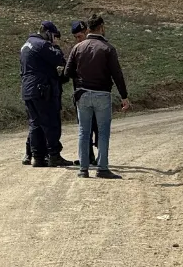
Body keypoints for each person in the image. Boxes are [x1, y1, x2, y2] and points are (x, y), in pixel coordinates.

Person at [62, 13, 130, 179]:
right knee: (103, 132)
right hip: (102, 94)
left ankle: (83, 169)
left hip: (83, 94)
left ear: (88, 29)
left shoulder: (77, 48)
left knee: (83, 132)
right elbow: (117, 75)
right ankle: (102, 168)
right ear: (101, 27)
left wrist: (80, 79)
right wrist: (124, 97)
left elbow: (67, 72)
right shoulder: (108, 48)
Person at [20, 21, 68, 168]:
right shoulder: (42, 45)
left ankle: (37, 157)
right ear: (48, 33)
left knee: (35, 124)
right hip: (41, 90)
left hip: (28, 90)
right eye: (54, 36)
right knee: (50, 122)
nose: (55, 39)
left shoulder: (26, 45)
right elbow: (59, 58)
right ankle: (54, 155)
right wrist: (56, 47)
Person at [69, 19, 100, 168]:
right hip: (81, 94)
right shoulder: (76, 49)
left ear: (87, 31)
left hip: (96, 92)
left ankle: (101, 157)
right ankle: (87, 157)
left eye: (79, 36)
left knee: (98, 127)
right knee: (85, 127)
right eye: (75, 37)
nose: (77, 40)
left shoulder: (96, 47)